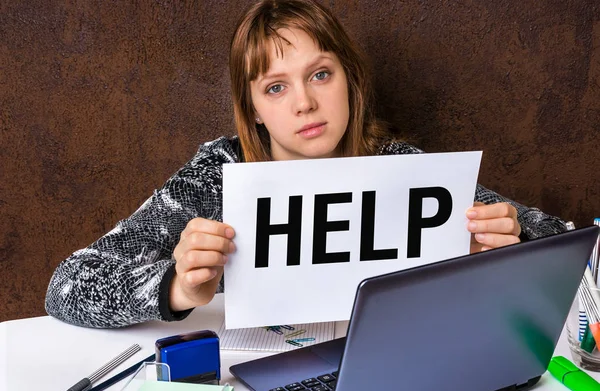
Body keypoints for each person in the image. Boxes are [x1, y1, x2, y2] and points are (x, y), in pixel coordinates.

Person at [45, 0, 566, 329]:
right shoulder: (217, 176)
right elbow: (66, 286)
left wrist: (505, 248)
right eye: (276, 86)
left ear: (350, 80)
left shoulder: (400, 170)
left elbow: (565, 241)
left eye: (320, 75)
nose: (303, 104)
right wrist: (175, 288)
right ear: (254, 108)